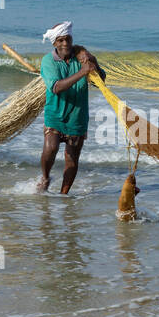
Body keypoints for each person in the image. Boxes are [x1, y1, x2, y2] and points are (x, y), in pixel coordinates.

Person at [37, 21, 103, 194]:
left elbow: (101, 81)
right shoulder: (48, 61)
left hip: (77, 118)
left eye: (68, 39)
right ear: (54, 43)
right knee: (51, 148)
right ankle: (45, 177)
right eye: (60, 40)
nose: (65, 43)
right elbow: (56, 87)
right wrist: (82, 72)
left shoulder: (81, 58)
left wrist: (93, 61)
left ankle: (63, 195)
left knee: (72, 159)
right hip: (55, 115)